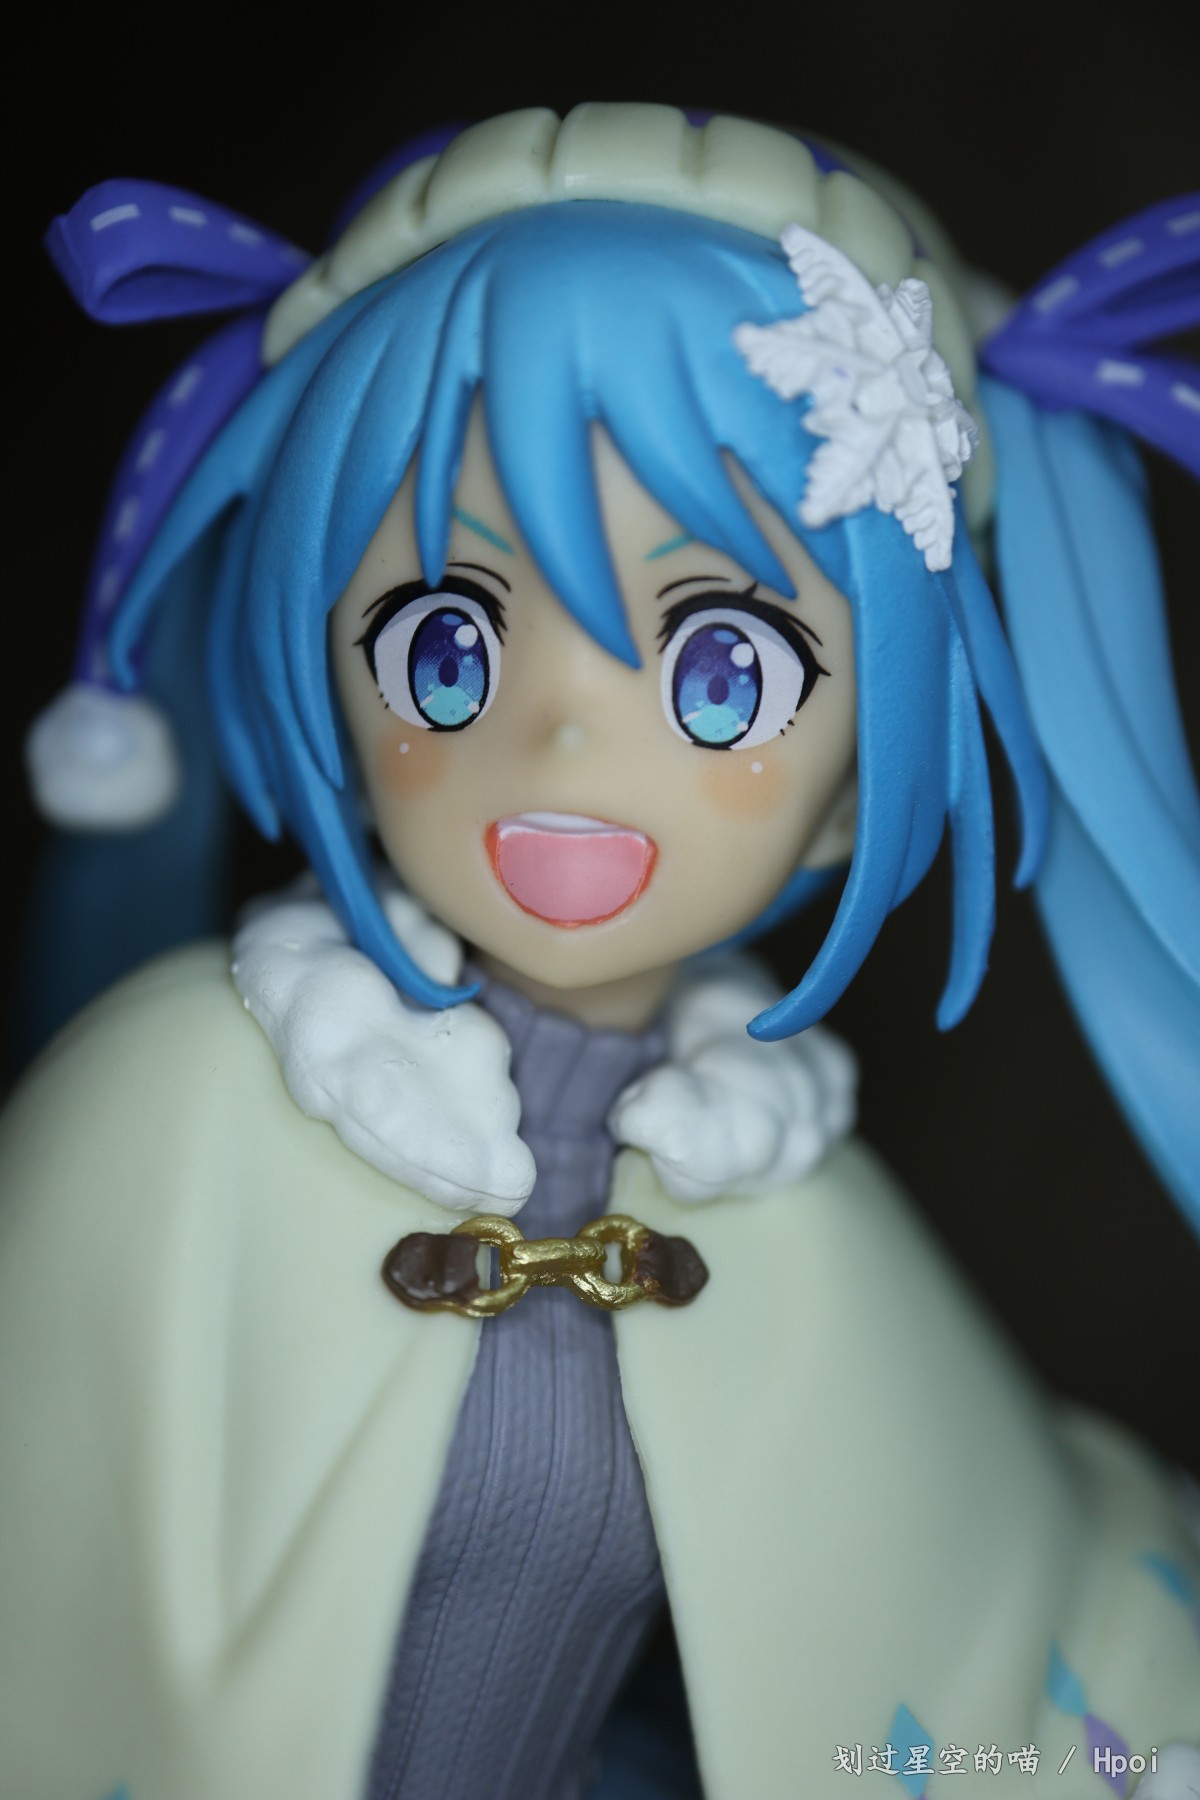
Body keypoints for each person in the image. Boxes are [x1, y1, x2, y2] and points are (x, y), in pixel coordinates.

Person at [2, 103, 1197, 1800]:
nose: (562, 744)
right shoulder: (175, 1100)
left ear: (853, 791)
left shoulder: (788, 1221)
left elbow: (1016, 1629)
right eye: (446, 648)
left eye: (722, 671)